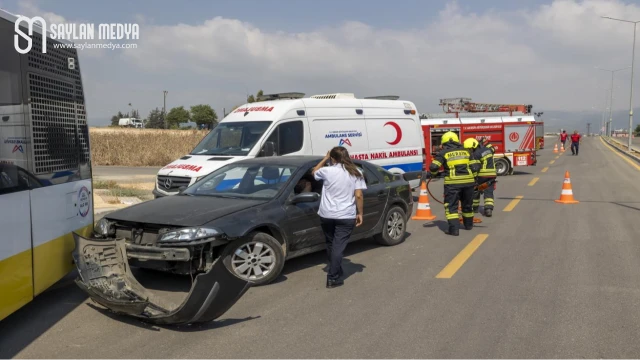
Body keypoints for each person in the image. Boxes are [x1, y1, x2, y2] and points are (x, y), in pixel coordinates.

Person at [311, 146, 366, 288]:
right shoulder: (356, 172)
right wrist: (360, 213)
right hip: (345, 215)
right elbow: (358, 195)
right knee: (338, 246)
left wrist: (324, 158)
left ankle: (335, 269)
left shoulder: (326, 171)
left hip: (326, 214)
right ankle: (333, 277)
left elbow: (314, 172)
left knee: (331, 244)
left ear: (332, 158)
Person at [429, 131, 479, 236]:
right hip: (468, 183)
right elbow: (475, 167)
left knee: (451, 206)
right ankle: (469, 225)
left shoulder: (443, 153)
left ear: (445, 142)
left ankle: (454, 230)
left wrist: (434, 174)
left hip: (452, 184)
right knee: (467, 205)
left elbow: (433, 167)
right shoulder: (467, 151)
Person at [464, 137, 497, 217]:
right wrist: (486, 142)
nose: (469, 150)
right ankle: (488, 210)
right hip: (492, 175)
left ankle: (475, 208)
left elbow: (475, 168)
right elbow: (493, 149)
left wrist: (474, 178)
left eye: (470, 149)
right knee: (488, 192)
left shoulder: (475, 154)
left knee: (476, 190)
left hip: (482, 175)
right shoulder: (488, 150)